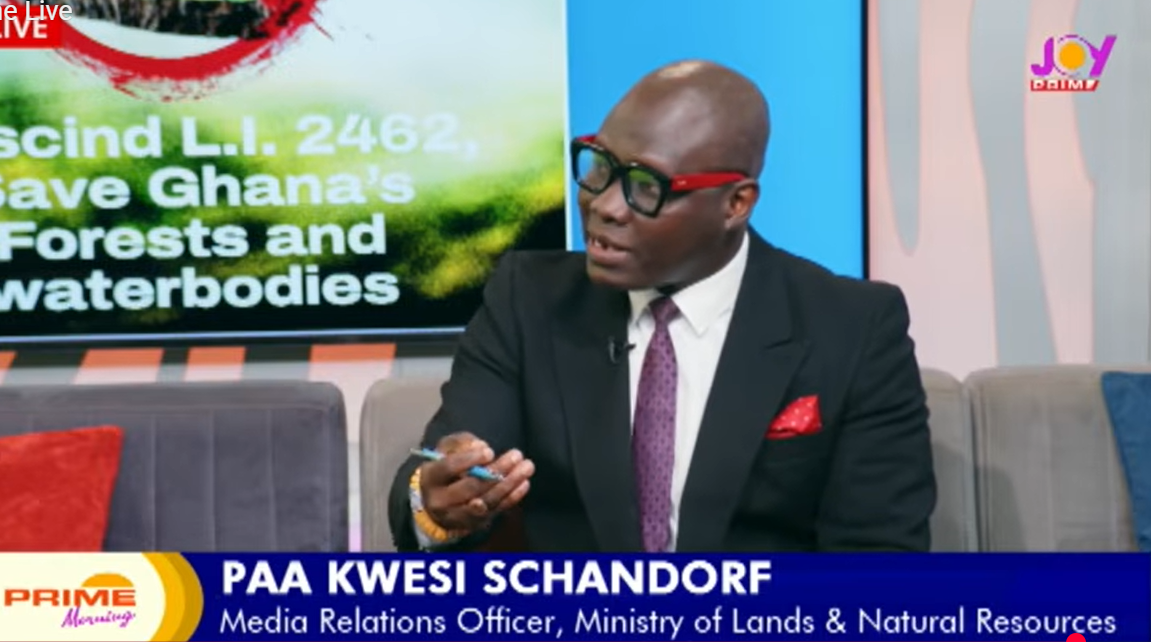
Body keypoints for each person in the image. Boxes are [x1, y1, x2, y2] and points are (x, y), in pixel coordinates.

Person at [388, 60, 936, 552]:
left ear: (736, 203)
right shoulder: (528, 300)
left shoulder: (852, 326)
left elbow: (878, 559)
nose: (604, 205)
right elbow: (443, 464)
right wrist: (435, 504)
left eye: (645, 186)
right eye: (599, 165)